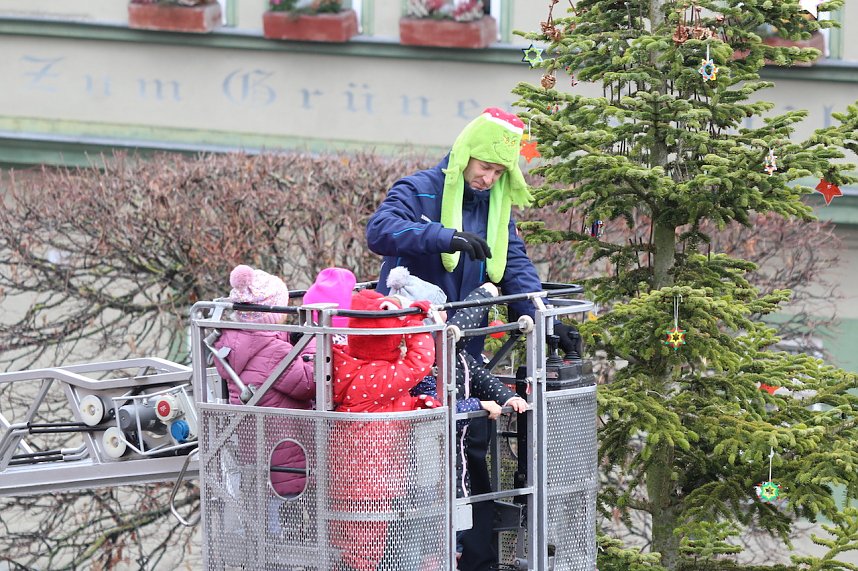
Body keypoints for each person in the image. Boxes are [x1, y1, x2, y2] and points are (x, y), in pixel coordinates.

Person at [366, 106, 578, 570]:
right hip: (406, 352)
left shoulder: (498, 208)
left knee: (470, 455)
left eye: (501, 170)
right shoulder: (420, 187)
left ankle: (475, 561)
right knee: (406, 468)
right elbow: (379, 231)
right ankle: (396, 558)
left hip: (463, 355)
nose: (489, 177)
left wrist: (545, 319)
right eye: (485, 166)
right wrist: (445, 237)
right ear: (465, 156)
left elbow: (516, 270)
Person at [388, 266, 529, 563]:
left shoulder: (452, 352)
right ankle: (438, 558)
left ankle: (454, 554)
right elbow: (432, 402)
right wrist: (476, 406)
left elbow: (478, 375)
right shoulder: (417, 362)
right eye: (440, 312)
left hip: (456, 454)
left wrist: (508, 396)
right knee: (433, 512)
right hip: (427, 454)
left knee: (460, 507)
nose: (447, 319)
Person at [328, 289, 436, 571]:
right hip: (371, 484)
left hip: (349, 480)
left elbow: (383, 405)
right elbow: (420, 361)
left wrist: (416, 404)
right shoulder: (378, 375)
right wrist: (414, 320)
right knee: (364, 558)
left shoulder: (347, 365)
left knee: (351, 552)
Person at [211, 264, 317, 534]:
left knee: (271, 523)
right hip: (288, 455)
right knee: (289, 529)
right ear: (270, 313)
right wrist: (313, 341)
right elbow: (310, 383)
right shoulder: (274, 351)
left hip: (259, 452)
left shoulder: (233, 342)